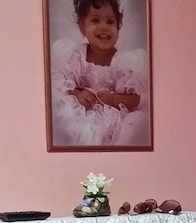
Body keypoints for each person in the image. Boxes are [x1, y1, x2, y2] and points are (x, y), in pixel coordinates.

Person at [50, 0, 149, 147]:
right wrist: (77, 94)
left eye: (110, 22)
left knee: (136, 123)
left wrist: (114, 99)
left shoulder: (124, 62)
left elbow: (136, 99)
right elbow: (60, 83)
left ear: (118, 27)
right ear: (82, 26)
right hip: (83, 116)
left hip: (114, 120)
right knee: (63, 114)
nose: (104, 27)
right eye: (95, 20)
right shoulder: (75, 57)